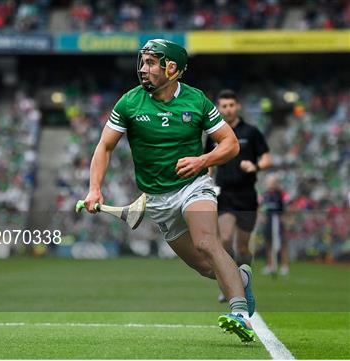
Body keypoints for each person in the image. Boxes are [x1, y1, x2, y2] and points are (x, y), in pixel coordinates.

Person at [82, 39, 256, 342]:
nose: (143, 69)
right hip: (158, 199)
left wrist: (203, 159)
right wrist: (94, 189)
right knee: (205, 267)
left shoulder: (197, 101)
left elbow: (230, 144)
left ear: (171, 68)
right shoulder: (129, 103)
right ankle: (241, 278)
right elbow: (105, 146)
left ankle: (239, 312)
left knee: (206, 242)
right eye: (143, 62)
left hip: (194, 186)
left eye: (151, 63)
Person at [204, 89, 271, 302]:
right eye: (224, 106)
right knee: (224, 239)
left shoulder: (251, 132)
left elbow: (267, 158)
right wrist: (206, 180)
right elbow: (208, 162)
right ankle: (229, 285)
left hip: (246, 196)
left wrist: (255, 165)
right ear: (219, 108)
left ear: (237, 106)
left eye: (231, 105)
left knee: (243, 247)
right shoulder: (214, 134)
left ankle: (244, 278)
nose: (228, 109)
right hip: (224, 194)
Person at [262, 174, 288, 275]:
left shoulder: (280, 194)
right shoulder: (265, 195)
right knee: (268, 242)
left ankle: (284, 265)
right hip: (269, 220)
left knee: (281, 242)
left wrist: (283, 218)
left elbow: (284, 207)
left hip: (278, 220)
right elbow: (263, 207)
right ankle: (269, 265)